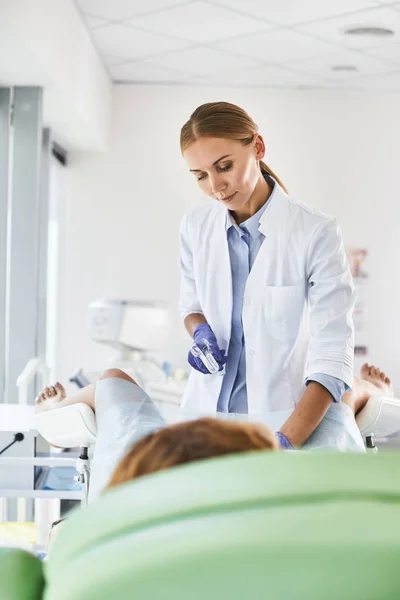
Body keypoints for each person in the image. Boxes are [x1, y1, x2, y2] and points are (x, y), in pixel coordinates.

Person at [179, 101, 356, 449]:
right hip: (205, 418)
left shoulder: (314, 231)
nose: (215, 185)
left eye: (224, 166)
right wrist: (198, 330)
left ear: (257, 147)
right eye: (200, 176)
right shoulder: (195, 227)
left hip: (281, 421)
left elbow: (333, 353)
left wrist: (285, 442)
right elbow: (191, 305)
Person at [35, 363, 394, 498]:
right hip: (290, 480)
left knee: (112, 380)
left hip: (148, 480)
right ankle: (376, 391)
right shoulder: (321, 482)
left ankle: (54, 412)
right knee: (341, 393)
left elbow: (112, 381)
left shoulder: (133, 469)